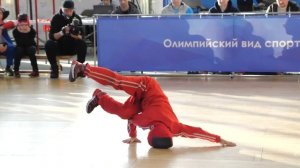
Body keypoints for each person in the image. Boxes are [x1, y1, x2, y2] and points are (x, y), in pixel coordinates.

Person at [69, 60, 236, 149]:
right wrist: (219, 140)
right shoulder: (153, 122)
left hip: (144, 104)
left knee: (124, 112)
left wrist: (219, 139)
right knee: (118, 81)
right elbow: (196, 133)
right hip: (146, 87)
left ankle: (99, 97)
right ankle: (83, 68)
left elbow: (196, 132)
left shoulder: (175, 128)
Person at [45, 0, 87, 78]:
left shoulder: (76, 18)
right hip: (59, 46)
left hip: (72, 46)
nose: (68, 12)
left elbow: (83, 37)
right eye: (66, 10)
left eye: (70, 10)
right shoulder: (56, 18)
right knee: (49, 44)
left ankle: (79, 68)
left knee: (82, 44)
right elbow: (51, 36)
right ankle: (54, 69)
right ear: (62, 9)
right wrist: (62, 32)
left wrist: (76, 36)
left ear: (73, 10)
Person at [13, 13, 39, 78]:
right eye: (21, 25)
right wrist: (22, 31)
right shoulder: (15, 31)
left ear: (28, 24)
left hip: (30, 47)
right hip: (21, 47)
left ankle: (35, 70)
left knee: (31, 50)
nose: (24, 26)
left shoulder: (31, 31)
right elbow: (19, 43)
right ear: (18, 24)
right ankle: (16, 70)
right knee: (18, 50)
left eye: (25, 24)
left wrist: (28, 30)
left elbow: (31, 42)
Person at [0, 7, 15, 76]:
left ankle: (8, 67)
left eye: (0, 13)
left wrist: (1, 27)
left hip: (6, 43)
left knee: (11, 47)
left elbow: (12, 24)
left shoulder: (4, 24)